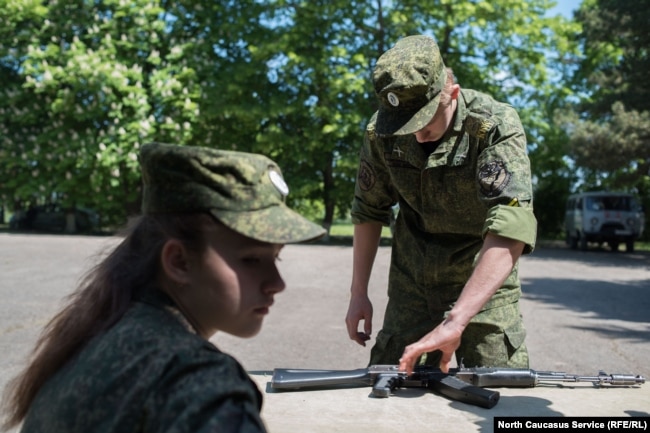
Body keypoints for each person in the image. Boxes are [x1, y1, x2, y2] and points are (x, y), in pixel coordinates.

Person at [1, 143, 325, 433]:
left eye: (276, 258)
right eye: (251, 259)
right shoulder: (199, 384)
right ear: (179, 261)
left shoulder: (97, 335)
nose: (277, 284)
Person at [345, 35, 537, 375]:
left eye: (423, 121)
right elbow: (368, 209)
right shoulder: (381, 132)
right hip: (412, 282)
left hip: (482, 286)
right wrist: (358, 292)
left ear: (451, 93)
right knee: (388, 383)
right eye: (406, 125)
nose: (416, 135)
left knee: (499, 391)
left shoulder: (494, 125)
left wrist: (457, 320)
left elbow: (511, 224)